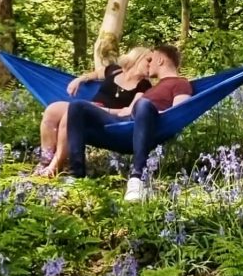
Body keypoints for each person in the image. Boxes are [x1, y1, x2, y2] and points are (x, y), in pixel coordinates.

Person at [67, 43, 192, 202]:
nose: (149, 63)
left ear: (160, 60)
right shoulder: (152, 86)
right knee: (77, 106)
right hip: (124, 123)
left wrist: (148, 111)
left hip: (148, 123)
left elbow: (179, 112)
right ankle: (75, 176)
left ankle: (136, 179)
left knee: (144, 104)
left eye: (151, 59)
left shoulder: (180, 83)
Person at [36, 47, 152, 177]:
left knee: (69, 115)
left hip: (106, 116)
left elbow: (128, 111)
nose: (151, 64)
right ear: (138, 58)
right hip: (88, 107)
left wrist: (101, 109)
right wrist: (80, 79)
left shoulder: (144, 85)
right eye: (149, 60)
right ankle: (45, 161)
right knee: (51, 110)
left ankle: (55, 166)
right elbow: (97, 74)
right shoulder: (115, 70)